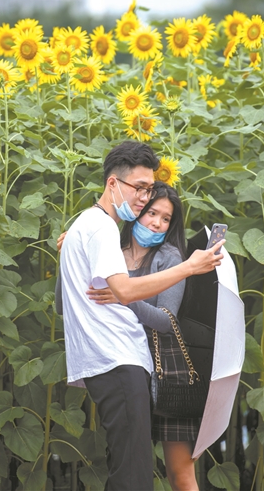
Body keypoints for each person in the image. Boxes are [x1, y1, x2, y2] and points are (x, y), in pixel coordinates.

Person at [57, 141, 224, 491]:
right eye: (140, 189)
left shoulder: (88, 226)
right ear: (113, 184)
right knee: (133, 477)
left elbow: (152, 310)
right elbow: (125, 291)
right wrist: (191, 268)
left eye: (149, 190)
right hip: (118, 361)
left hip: (127, 365)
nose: (144, 198)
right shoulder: (102, 230)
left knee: (130, 472)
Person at [86, 181, 200, 491]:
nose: (157, 223)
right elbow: (69, 301)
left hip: (165, 378)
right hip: (123, 369)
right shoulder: (111, 252)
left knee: (180, 473)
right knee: (129, 464)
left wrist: (125, 295)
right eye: (152, 213)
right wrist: (69, 251)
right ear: (138, 211)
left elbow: (165, 321)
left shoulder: (170, 258)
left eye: (166, 219)